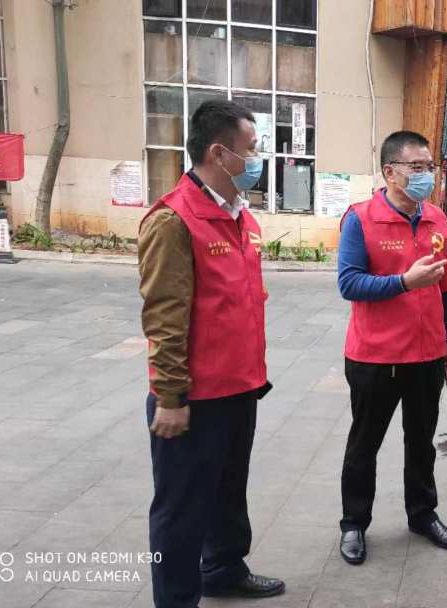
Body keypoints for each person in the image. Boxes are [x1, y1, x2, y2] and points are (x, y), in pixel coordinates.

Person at [138, 100, 284, 608]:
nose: (258, 159)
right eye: (252, 149)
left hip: (239, 387)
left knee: (228, 492)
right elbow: (164, 317)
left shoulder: (240, 216)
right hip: (193, 398)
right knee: (181, 510)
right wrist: (170, 397)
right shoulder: (173, 220)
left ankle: (223, 569)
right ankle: (176, 599)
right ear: (220, 154)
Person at [336, 130, 447, 565]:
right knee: (364, 445)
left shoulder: (437, 219)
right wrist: (403, 283)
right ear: (389, 172)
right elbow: (348, 283)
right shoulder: (360, 219)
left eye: (430, 167)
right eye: (416, 167)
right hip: (374, 357)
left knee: (422, 442)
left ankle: (423, 514)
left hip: (427, 353)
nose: (426, 174)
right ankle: (354, 523)